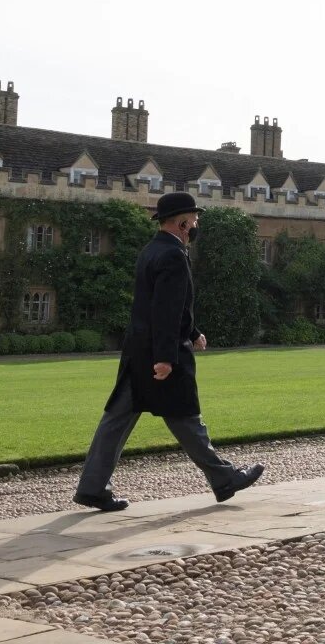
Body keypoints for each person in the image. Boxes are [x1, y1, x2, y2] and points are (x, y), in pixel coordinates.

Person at [73, 192, 264, 511]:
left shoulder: (152, 250)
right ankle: (224, 478)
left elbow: (163, 305)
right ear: (183, 223)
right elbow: (164, 310)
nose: (197, 226)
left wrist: (193, 331)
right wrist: (165, 357)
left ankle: (92, 487)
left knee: (116, 420)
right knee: (186, 417)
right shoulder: (174, 255)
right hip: (160, 354)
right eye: (195, 221)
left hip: (138, 351)